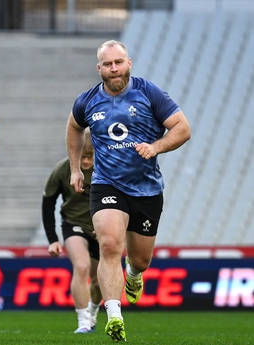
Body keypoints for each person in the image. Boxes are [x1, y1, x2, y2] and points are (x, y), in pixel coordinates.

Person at [65, 40, 190, 342]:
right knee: (109, 245)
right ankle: (114, 315)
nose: (114, 68)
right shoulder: (87, 101)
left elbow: (182, 129)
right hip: (107, 184)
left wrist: (155, 146)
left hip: (146, 189)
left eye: (118, 62)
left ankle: (134, 276)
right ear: (99, 69)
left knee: (140, 260)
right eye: (108, 64)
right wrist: (74, 168)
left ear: (129, 63)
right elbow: (73, 127)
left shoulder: (149, 93)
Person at [42, 128, 102, 334]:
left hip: (101, 229)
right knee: (82, 266)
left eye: (90, 156)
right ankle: (83, 321)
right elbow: (48, 203)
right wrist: (52, 239)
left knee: (98, 281)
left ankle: (93, 311)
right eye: (82, 156)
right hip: (73, 224)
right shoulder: (63, 169)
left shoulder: (108, 169)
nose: (85, 162)